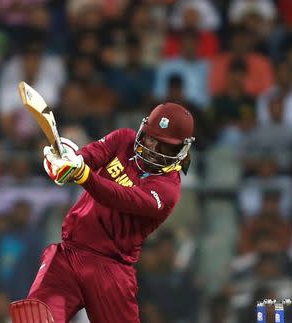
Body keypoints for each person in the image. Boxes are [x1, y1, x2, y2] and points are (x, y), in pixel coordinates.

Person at [10, 103, 195, 323]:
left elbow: (120, 198)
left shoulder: (168, 190)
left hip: (111, 270)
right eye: (150, 138)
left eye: (163, 145)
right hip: (69, 253)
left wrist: (83, 175)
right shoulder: (124, 139)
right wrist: (65, 162)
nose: (152, 148)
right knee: (34, 318)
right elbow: (88, 156)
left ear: (180, 150)